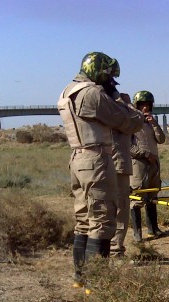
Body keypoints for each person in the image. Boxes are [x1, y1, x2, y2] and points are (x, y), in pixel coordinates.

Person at [57, 52, 143, 288]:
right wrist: (117, 97)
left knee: (84, 220)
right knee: (103, 220)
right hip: (96, 160)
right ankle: (96, 285)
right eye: (108, 76)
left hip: (77, 159)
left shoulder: (67, 91)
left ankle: (80, 278)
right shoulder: (93, 93)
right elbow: (130, 121)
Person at [130, 90, 166, 241]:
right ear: (137, 106)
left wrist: (154, 123)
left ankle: (153, 229)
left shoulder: (151, 123)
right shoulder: (131, 122)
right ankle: (137, 234)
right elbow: (127, 146)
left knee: (152, 196)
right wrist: (144, 154)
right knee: (137, 198)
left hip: (154, 164)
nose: (145, 108)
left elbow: (161, 139)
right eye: (142, 105)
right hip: (139, 164)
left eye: (147, 105)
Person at [109, 83, 137, 256]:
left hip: (99, 164)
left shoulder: (95, 103)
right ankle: (115, 251)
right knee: (120, 209)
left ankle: (100, 252)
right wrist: (126, 103)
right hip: (117, 163)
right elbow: (136, 121)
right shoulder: (116, 108)